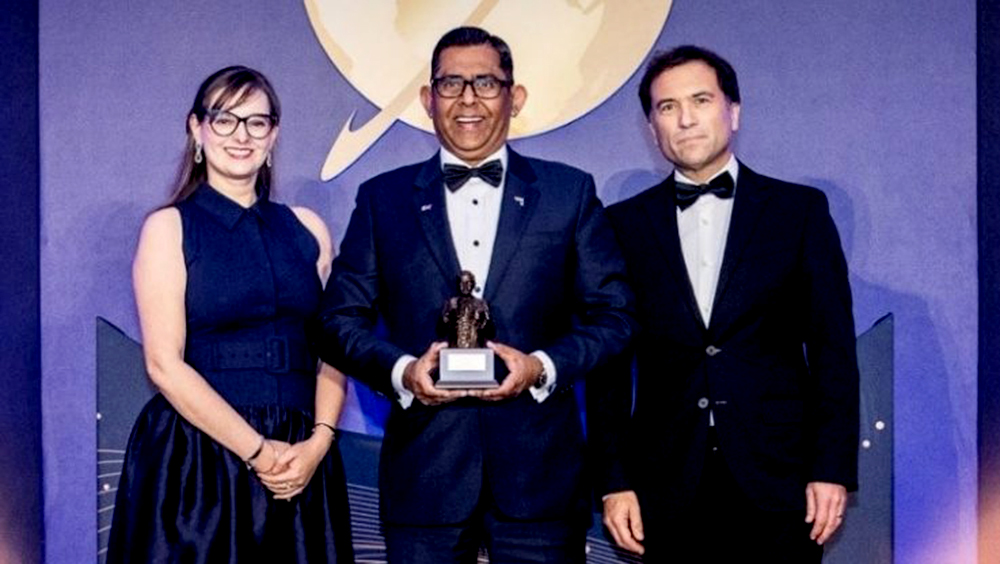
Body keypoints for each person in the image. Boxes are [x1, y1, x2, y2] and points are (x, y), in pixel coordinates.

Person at [315, 26, 635, 564]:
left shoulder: (569, 193)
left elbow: (616, 317)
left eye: (486, 82)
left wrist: (540, 365)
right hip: (426, 480)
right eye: (451, 84)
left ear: (516, 97)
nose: (468, 99)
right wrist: (404, 373)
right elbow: (336, 321)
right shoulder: (382, 200)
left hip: (540, 485)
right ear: (427, 99)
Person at [591, 46, 860, 562]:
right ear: (652, 127)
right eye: (667, 107)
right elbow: (609, 368)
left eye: (700, 100)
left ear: (733, 111)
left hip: (781, 482)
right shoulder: (622, 226)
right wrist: (614, 481)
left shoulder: (797, 213)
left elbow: (832, 351)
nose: (685, 119)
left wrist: (832, 469)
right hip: (665, 483)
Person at [106, 66, 354, 563]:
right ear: (196, 129)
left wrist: (319, 443)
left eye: (256, 122)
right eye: (224, 119)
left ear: (273, 134)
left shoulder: (308, 230)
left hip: (301, 461)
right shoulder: (169, 228)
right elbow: (163, 364)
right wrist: (259, 452)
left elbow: (333, 348)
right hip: (200, 464)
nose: (241, 135)